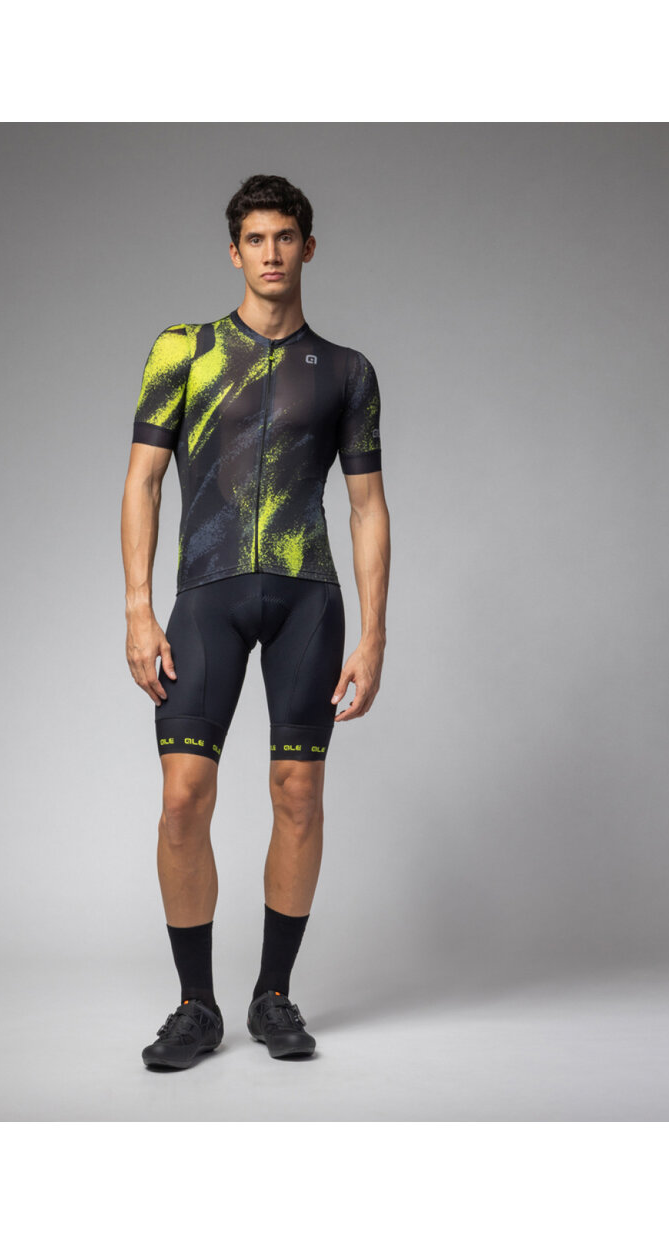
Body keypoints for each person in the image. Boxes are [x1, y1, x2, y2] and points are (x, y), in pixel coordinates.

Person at [120, 174, 390, 1069]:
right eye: (256, 239)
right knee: (182, 799)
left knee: (298, 795)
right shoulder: (183, 350)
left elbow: (367, 507)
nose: (271, 254)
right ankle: (195, 1006)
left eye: (285, 238)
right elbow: (142, 483)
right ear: (233, 252)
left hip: (308, 597)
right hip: (206, 597)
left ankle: (273, 994)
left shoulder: (347, 372)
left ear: (308, 247)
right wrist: (137, 609)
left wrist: (374, 635)